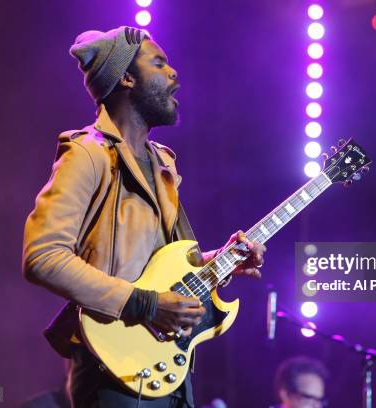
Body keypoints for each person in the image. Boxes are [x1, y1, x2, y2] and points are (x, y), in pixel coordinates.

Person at [22, 26, 266, 408]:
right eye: (159, 63)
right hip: (116, 368)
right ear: (126, 77)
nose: (174, 73)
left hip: (166, 368)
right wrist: (146, 306)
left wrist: (218, 261)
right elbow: (42, 257)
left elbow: (151, 266)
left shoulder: (161, 162)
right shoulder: (87, 155)